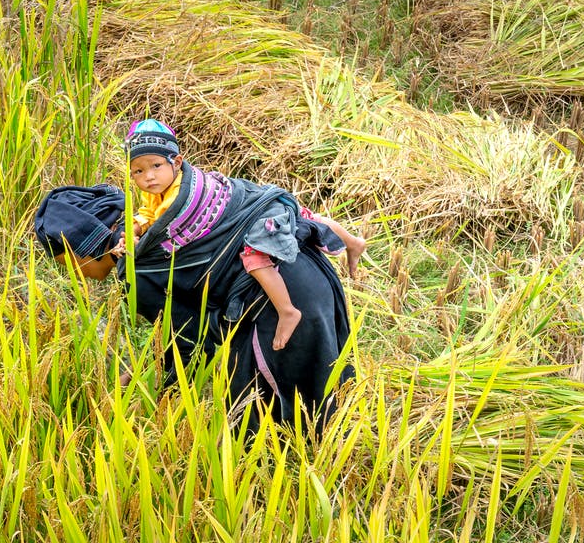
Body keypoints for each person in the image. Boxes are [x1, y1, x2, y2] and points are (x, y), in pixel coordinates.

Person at [34, 169, 357, 436]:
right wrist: (136, 372)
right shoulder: (159, 222)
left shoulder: (138, 268)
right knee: (323, 402)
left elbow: (189, 342)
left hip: (277, 306)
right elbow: (182, 325)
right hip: (307, 268)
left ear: (82, 248)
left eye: (69, 264)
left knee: (268, 431)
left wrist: (138, 389)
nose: (78, 277)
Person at [120, 119, 366, 350]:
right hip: (249, 202)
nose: (149, 176)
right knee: (306, 216)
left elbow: (169, 226)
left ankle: (287, 310)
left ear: (176, 161)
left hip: (245, 212)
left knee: (255, 259)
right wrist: (136, 228)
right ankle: (353, 242)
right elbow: (149, 215)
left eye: (156, 166)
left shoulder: (183, 193)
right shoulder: (156, 190)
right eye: (138, 171)